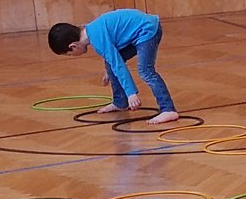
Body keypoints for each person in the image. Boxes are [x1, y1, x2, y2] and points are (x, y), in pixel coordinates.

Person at [47, 9, 180, 124]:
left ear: (73, 46)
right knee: (110, 64)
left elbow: (118, 65)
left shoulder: (97, 38)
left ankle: (168, 109)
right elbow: (112, 59)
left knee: (145, 71)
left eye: (70, 54)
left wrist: (131, 93)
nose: (72, 56)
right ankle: (120, 102)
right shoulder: (90, 30)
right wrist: (109, 71)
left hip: (147, 30)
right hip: (138, 30)